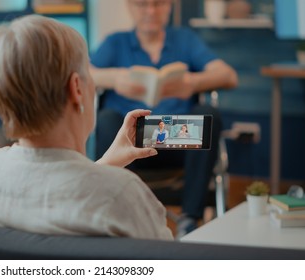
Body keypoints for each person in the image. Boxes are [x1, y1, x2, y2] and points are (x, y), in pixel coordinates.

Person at [0, 15, 173, 241]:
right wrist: (108, 177)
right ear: (76, 88)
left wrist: (105, 165)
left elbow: (50, 191)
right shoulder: (122, 192)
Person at [90, 0, 238, 238]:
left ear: (168, 6)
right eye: (142, 5)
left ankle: (189, 220)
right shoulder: (115, 43)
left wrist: (192, 83)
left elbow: (228, 75)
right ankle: (121, 218)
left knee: (209, 114)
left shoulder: (184, 40)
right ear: (130, 7)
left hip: (180, 139)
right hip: (130, 142)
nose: (151, 11)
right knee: (106, 119)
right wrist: (116, 79)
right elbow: (81, 73)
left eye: (158, 4)